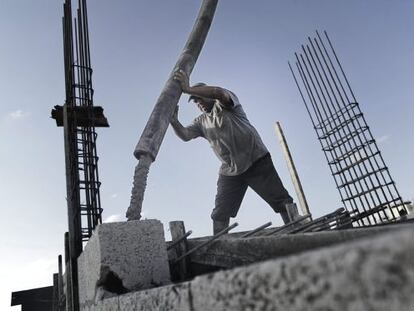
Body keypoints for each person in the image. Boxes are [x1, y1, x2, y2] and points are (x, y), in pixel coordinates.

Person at [170, 69, 295, 234]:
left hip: (256, 160)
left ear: (208, 96)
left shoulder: (226, 104)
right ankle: (220, 242)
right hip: (230, 171)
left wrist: (188, 89)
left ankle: (296, 227)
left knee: (281, 201)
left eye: (200, 98)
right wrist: (174, 122)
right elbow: (185, 135)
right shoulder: (201, 121)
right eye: (195, 102)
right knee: (220, 213)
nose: (198, 103)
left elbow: (218, 92)